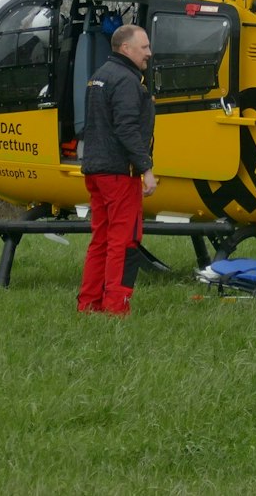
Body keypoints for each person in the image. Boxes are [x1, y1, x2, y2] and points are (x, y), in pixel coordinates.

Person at [77, 23, 159, 315]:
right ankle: (116, 308)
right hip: (118, 173)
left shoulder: (98, 77)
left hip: (95, 171)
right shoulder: (126, 81)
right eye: (144, 47)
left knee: (101, 239)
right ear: (126, 48)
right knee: (124, 241)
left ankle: (88, 304)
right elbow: (126, 128)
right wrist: (146, 168)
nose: (149, 53)